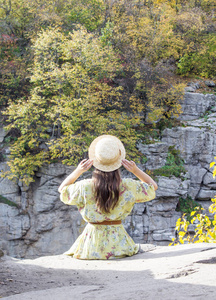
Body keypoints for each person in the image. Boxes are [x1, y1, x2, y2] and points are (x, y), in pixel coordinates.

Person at [58, 135, 158, 260]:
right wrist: (135, 170)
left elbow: (62, 190)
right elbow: (152, 186)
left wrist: (78, 171)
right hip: (120, 245)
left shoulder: (84, 186)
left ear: (95, 160)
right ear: (118, 161)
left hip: (89, 246)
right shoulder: (128, 186)